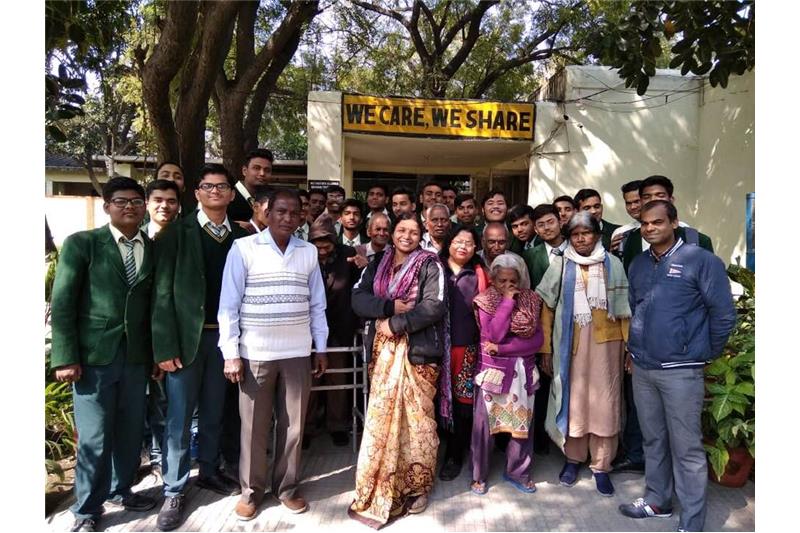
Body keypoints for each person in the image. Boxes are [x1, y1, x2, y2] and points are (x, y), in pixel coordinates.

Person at [619, 200, 736, 532]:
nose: (650, 228)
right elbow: (636, 308)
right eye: (645, 224)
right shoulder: (640, 264)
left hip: (681, 370)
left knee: (686, 448)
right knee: (653, 439)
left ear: (674, 223)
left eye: (657, 222)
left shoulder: (701, 261)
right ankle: (657, 500)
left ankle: (692, 521)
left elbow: (724, 314)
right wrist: (635, 348)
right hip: (644, 367)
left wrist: (702, 352)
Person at [50, 177, 157, 532]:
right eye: (121, 201)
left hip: (137, 357)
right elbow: (63, 302)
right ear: (107, 206)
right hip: (94, 357)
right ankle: (85, 510)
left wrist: (157, 355)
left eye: (136, 201)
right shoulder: (84, 244)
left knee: (129, 431)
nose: (129, 207)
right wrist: (65, 356)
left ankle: (120, 489)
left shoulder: (152, 248)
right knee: (95, 437)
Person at [217, 189, 329, 520]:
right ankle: (252, 492)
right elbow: (228, 305)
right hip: (255, 354)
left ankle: (288, 489)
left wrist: (320, 347)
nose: (287, 218)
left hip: (297, 352)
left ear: (301, 217)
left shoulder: (308, 251)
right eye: (280, 211)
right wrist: (231, 353)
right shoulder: (244, 248)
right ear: (266, 212)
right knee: (253, 427)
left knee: (293, 426)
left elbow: (317, 304)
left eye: (295, 213)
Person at [152, 164, 247, 531]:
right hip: (185, 342)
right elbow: (161, 294)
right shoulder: (176, 233)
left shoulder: (239, 237)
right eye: (208, 186)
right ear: (197, 193)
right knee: (178, 417)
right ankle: (174, 489)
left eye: (222, 186)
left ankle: (209, 470)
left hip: (224, 340)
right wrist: (164, 345)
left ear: (231, 193)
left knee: (214, 410)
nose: (216, 192)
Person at [349, 213, 447, 527]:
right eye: (401, 230)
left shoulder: (431, 265)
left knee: (419, 425)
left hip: (418, 353)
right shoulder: (378, 263)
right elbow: (358, 299)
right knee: (380, 421)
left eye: (414, 231)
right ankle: (378, 483)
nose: (406, 235)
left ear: (422, 235)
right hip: (383, 354)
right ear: (392, 234)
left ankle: (418, 487)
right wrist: (389, 309)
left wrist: (397, 323)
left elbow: (435, 306)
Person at [536, 211, 631, 498]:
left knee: (606, 403)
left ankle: (602, 466)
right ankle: (573, 460)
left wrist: (631, 350)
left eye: (586, 233)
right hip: (571, 347)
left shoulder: (612, 264)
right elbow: (546, 308)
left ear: (597, 235)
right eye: (575, 234)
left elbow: (626, 311)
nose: (580, 239)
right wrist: (546, 350)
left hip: (608, 347)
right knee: (574, 401)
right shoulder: (561, 265)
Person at [470, 254, 544, 495]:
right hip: (494, 373)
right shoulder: (484, 301)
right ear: (493, 280)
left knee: (521, 427)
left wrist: (503, 349)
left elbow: (536, 342)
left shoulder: (532, 299)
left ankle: (518, 472)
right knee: (484, 429)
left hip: (523, 373)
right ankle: (479, 475)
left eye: (513, 281)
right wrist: (508, 302)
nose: (507, 286)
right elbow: (494, 334)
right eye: (502, 281)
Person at [304, 214, 361, 448]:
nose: (322, 251)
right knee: (309, 381)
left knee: (338, 378)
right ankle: (306, 427)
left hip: (339, 327)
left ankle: (337, 425)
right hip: (307, 329)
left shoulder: (348, 257)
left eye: (326, 245)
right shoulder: (304, 257)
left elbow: (358, 286)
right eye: (318, 246)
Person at [437, 227, 489, 481]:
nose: (463, 246)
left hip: (467, 348)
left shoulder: (479, 274)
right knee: (432, 401)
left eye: (469, 243)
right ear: (448, 243)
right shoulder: (433, 267)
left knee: (463, 405)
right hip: (435, 348)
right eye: (458, 241)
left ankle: (455, 455)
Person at [142, 179, 181, 478]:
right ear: (147, 203)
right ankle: (153, 455)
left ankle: (167, 458)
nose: (164, 206)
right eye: (157, 199)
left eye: (170, 200)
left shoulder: (183, 237)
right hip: (137, 334)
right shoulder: (138, 238)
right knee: (148, 401)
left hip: (173, 336)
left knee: (168, 400)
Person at [521, 203, 567, 456]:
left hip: (573, 327)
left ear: (560, 220)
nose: (546, 228)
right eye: (540, 224)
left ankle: (569, 441)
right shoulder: (531, 256)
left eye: (550, 222)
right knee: (542, 383)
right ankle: (541, 439)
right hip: (541, 327)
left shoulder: (577, 249)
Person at [621, 175, 714, 272]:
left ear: (671, 200)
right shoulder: (629, 240)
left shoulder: (697, 240)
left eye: (660, 195)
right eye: (647, 197)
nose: (654, 200)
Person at [229, 148, 274, 227]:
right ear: (244, 171)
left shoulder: (273, 198)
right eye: (257, 168)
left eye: (267, 170)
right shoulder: (227, 196)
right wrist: (235, 225)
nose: (262, 173)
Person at [609, 180, 643, 257]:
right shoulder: (621, 233)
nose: (633, 207)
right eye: (628, 203)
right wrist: (612, 254)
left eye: (637, 201)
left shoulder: (671, 227)